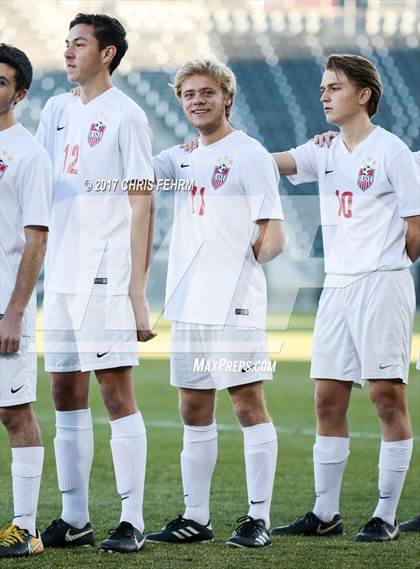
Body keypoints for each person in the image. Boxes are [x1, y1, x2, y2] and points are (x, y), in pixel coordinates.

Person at [264, 53, 420, 542]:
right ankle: (325, 512)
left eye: (333, 87)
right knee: (327, 399)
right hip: (336, 286)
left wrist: (388, 262)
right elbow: (272, 163)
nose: (324, 95)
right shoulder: (324, 149)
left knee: (385, 397)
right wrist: (219, 148)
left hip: (382, 283)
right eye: (322, 88)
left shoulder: (392, 151)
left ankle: (385, 515)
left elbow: (416, 230)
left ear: (364, 94)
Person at [145, 58, 285, 549]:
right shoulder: (179, 158)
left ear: (227, 97)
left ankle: (258, 518)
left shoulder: (249, 154)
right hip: (189, 304)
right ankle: (196, 517)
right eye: (188, 94)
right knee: (192, 406)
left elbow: (274, 234)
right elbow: (133, 172)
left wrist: (240, 262)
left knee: (247, 404)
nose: (197, 101)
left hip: (232, 304)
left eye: (207, 92)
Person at [35, 14, 155, 554]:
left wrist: (136, 288)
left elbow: (141, 201)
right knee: (64, 390)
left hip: (105, 272)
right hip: (59, 273)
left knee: (114, 389)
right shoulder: (56, 110)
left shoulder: (127, 116)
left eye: (79, 44)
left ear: (106, 54)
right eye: (66, 44)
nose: (68, 52)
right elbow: (36, 184)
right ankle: (75, 517)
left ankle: (132, 520)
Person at [0, 44, 52, 558]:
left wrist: (15, 309)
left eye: (0, 81)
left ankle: (26, 528)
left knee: (15, 412)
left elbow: (36, 239)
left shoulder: (29, 153)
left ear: (19, 92)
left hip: (3, 304)